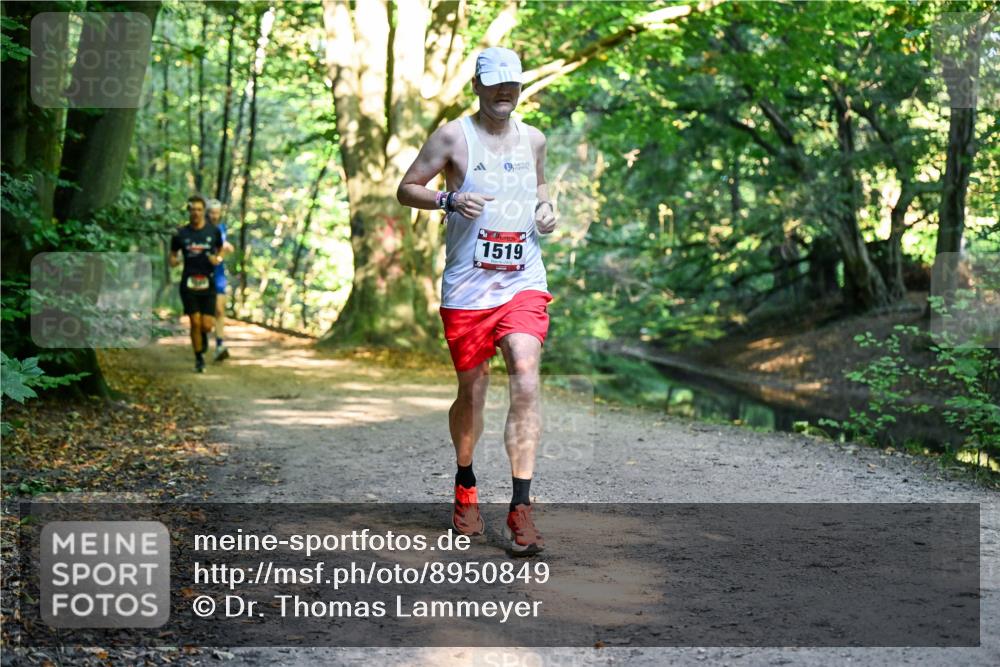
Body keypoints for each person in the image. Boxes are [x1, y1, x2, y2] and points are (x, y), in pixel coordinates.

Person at [396, 47, 557, 556]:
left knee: (526, 377)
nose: (505, 91)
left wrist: (548, 209)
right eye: (495, 84)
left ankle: (521, 507)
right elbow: (407, 188)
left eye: (512, 83)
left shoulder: (534, 139)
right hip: (469, 286)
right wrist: (447, 199)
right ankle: (466, 482)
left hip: (522, 281)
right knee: (473, 389)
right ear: (478, 86)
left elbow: (542, 186)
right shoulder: (451, 137)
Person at [169, 194, 226, 373]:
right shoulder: (181, 233)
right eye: (193, 209)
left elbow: (221, 249)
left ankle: (203, 336)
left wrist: (218, 259)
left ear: (204, 212)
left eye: (199, 210)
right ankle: (199, 357)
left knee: (206, 325)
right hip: (189, 282)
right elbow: (172, 255)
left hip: (207, 283)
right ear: (189, 211)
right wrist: (174, 261)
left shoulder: (213, 231)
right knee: (194, 321)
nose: (196, 213)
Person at [205, 198, 235, 361]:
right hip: (202, 272)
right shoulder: (201, 228)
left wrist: (225, 248)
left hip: (218, 273)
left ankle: (219, 345)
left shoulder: (222, 228)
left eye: (217, 213)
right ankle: (201, 343)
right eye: (211, 213)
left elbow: (222, 245)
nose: (214, 216)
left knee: (219, 310)